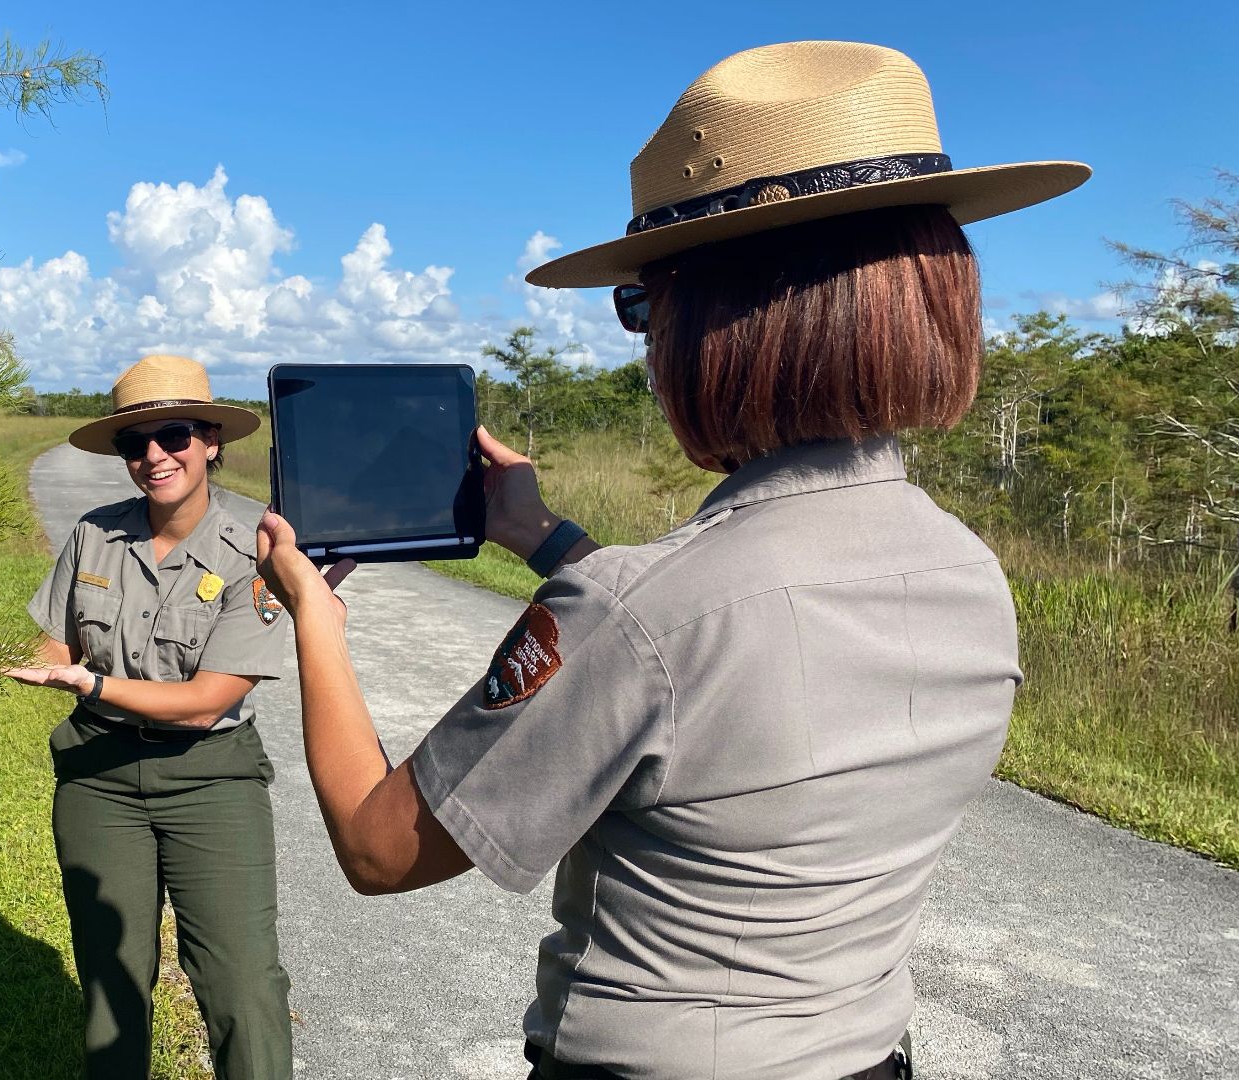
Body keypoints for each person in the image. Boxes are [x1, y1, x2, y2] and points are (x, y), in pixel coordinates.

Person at [253, 41, 1088, 1080]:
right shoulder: (970, 576)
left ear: (717, 329)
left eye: (647, 306)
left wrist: (317, 624)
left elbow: (383, 849)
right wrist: (541, 537)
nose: (648, 349)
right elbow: (729, 649)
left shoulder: (638, 616)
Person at [6, 353, 293, 1080]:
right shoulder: (95, 533)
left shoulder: (257, 544)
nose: (154, 456)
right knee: (112, 978)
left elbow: (205, 705)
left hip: (210, 780)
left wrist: (90, 684)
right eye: (136, 444)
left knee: (242, 986)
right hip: (97, 777)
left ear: (212, 441)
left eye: (174, 436)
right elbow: (56, 641)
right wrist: (3, 658)